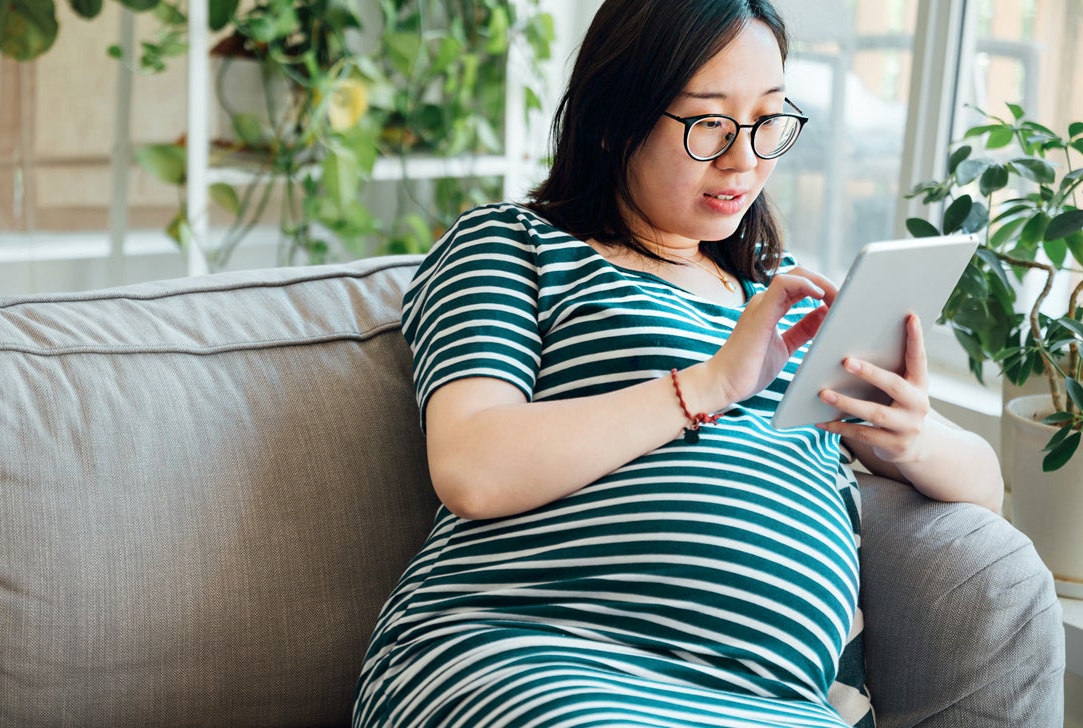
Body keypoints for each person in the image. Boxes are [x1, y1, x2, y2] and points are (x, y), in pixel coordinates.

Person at [352, 0, 1003, 725]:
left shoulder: (786, 301)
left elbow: (985, 488)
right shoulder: (514, 246)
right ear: (611, 121)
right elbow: (473, 468)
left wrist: (915, 438)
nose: (745, 158)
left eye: (768, 121)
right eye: (709, 124)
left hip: (764, 704)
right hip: (532, 655)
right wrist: (710, 383)